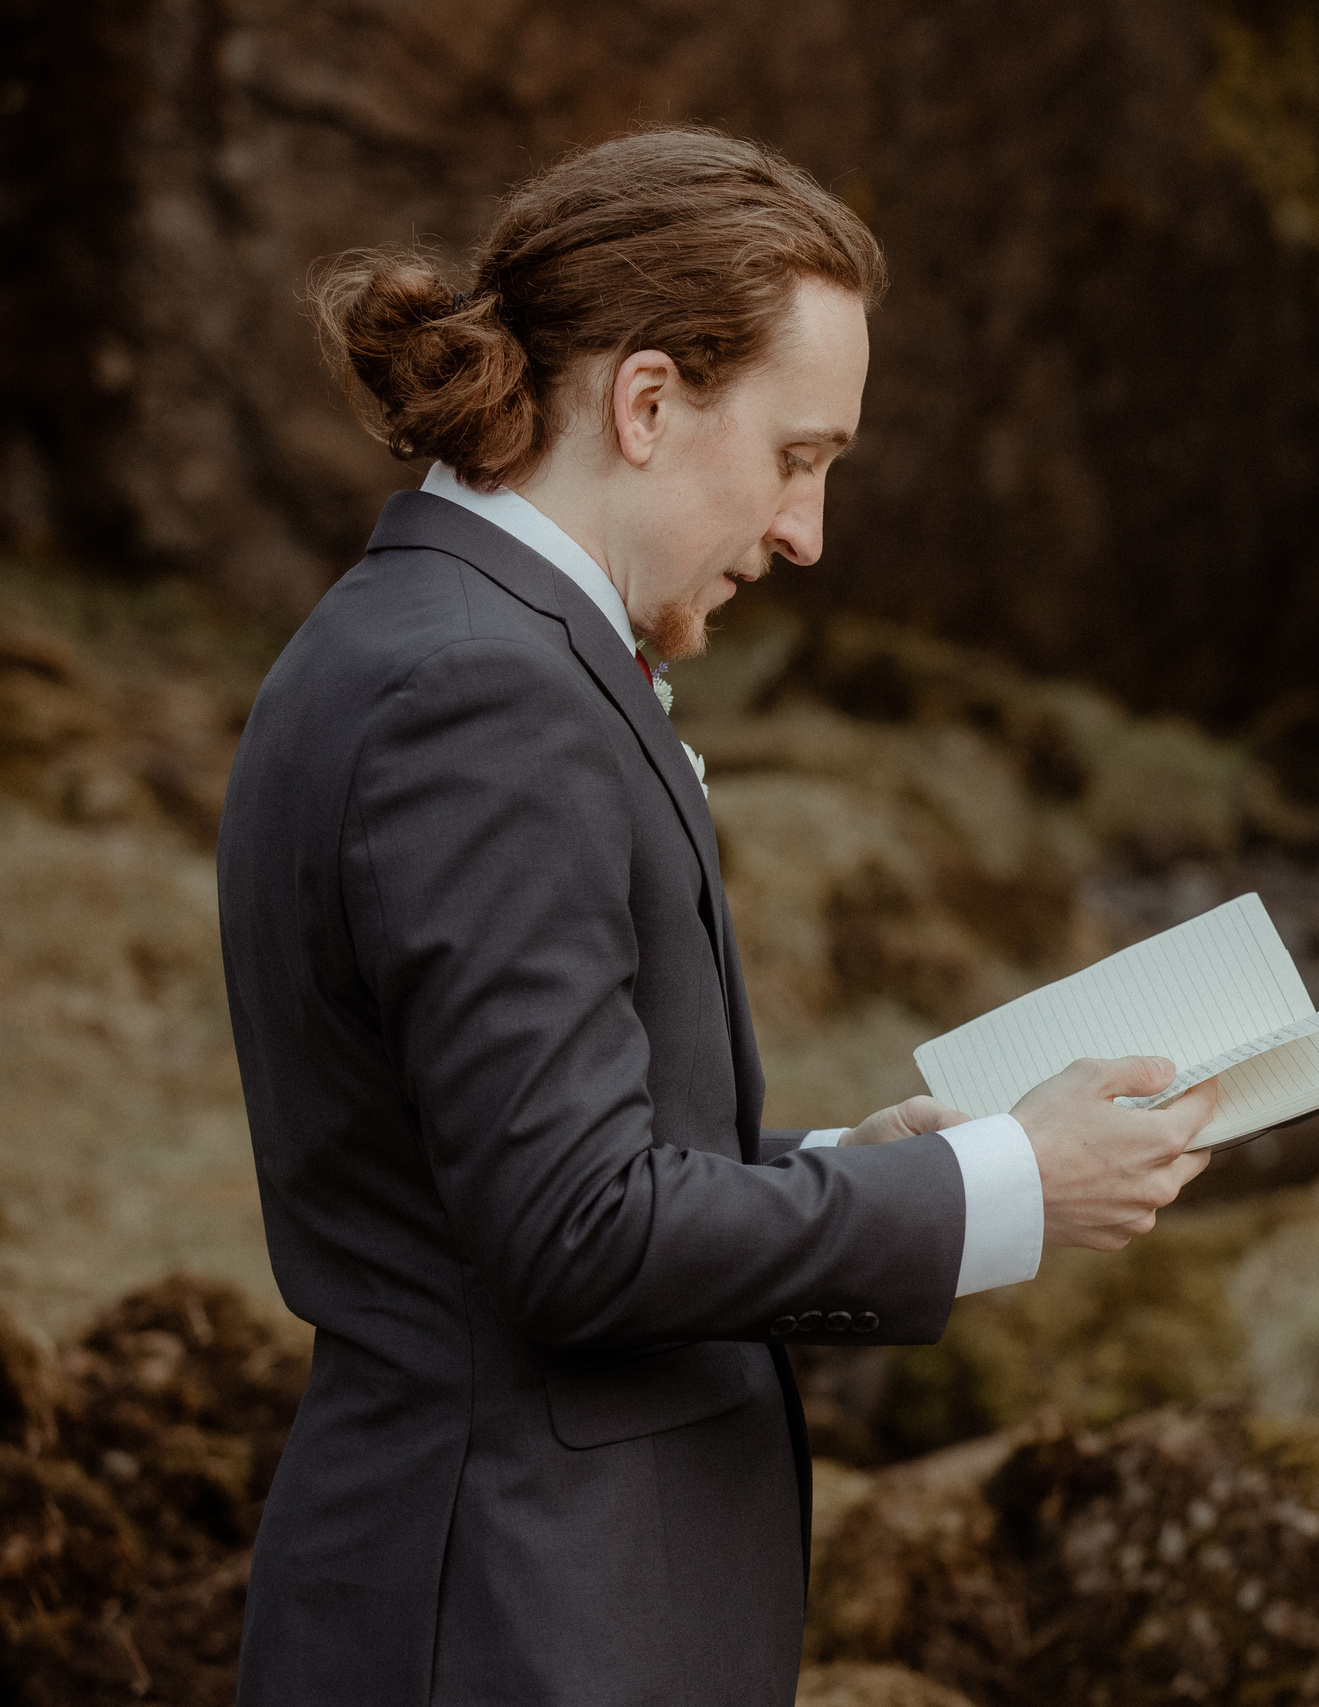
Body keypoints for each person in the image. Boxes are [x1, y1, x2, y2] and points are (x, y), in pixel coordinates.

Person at [217, 127, 1217, 1705]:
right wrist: (1013, 1183)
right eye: (799, 456)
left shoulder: (432, 635)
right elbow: (573, 1236)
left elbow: (507, 1170)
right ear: (647, 401)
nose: (808, 533)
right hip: (508, 1626)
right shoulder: (481, 692)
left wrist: (846, 1171)